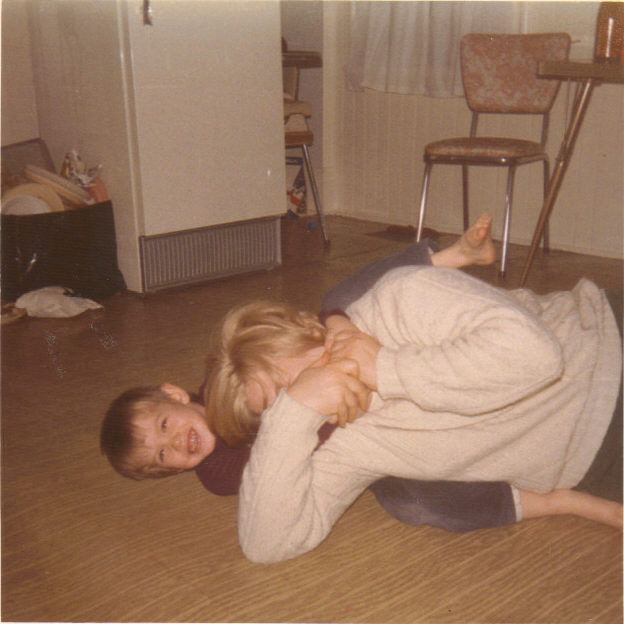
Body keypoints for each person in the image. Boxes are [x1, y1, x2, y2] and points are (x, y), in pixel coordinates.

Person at [102, 215, 547, 531]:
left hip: (338, 378)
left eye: (165, 426)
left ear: (175, 394)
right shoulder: (216, 475)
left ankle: (451, 255)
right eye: (163, 457)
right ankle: (530, 502)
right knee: (409, 500)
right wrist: (323, 401)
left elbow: (286, 347)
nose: (176, 444)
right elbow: (286, 456)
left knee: (337, 299)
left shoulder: (225, 379)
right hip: (344, 438)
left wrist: (335, 324)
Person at [204, 249, 622, 563]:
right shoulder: (343, 438)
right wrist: (292, 415)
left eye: (284, 383)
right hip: (599, 467)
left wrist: (386, 368)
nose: (309, 392)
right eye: (277, 407)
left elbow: (537, 357)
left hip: (608, 354)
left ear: (300, 331)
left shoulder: (398, 298)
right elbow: (267, 545)